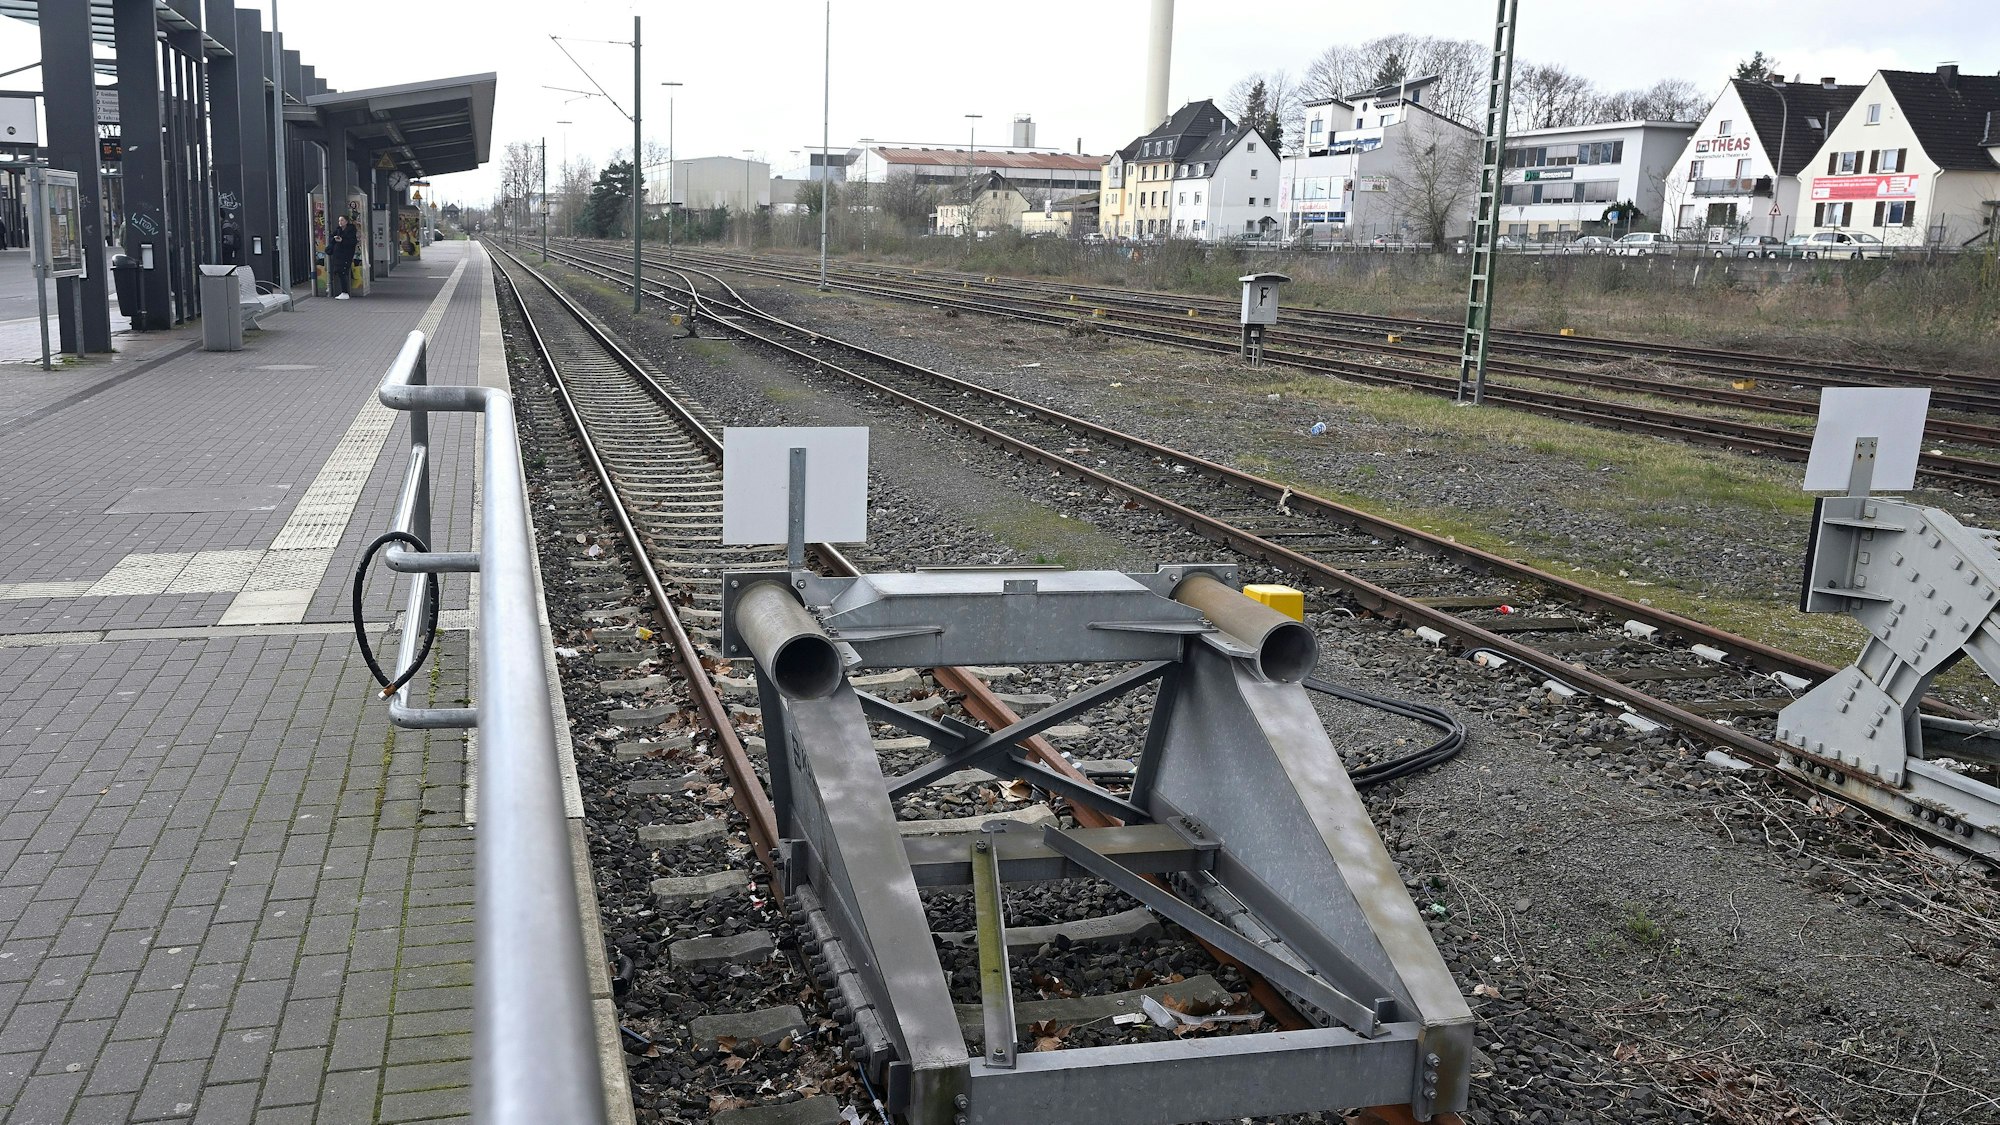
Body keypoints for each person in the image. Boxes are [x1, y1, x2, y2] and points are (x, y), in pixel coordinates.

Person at [327, 214, 360, 299]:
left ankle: (345, 292)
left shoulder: (351, 230)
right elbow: (330, 238)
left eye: (342, 220)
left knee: (343, 272)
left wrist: (342, 240)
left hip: (346, 255)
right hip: (338, 255)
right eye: (339, 220)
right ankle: (343, 292)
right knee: (339, 271)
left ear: (346, 221)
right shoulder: (338, 230)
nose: (340, 222)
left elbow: (352, 242)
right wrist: (334, 239)